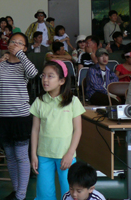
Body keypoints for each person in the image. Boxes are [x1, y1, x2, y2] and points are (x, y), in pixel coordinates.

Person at [30, 60, 84, 200]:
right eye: (43, 76)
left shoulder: (73, 101)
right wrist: (34, 155)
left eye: (50, 76)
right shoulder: (39, 101)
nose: (45, 80)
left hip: (66, 155)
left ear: (61, 81)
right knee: (44, 193)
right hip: (43, 155)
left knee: (70, 192)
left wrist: (70, 154)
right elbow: (35, 130)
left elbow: (78, 130)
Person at [0, 33, 38, 200]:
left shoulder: (24, 66)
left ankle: (21, 195)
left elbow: (33, 73)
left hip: (20, 116)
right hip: (3, 117)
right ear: (7, 43)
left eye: (20, 44)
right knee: (10, 157)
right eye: (13, 42)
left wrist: (20, 54)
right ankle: (17, 190)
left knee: (21, 156)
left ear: (25, 48)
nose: (16, 45)